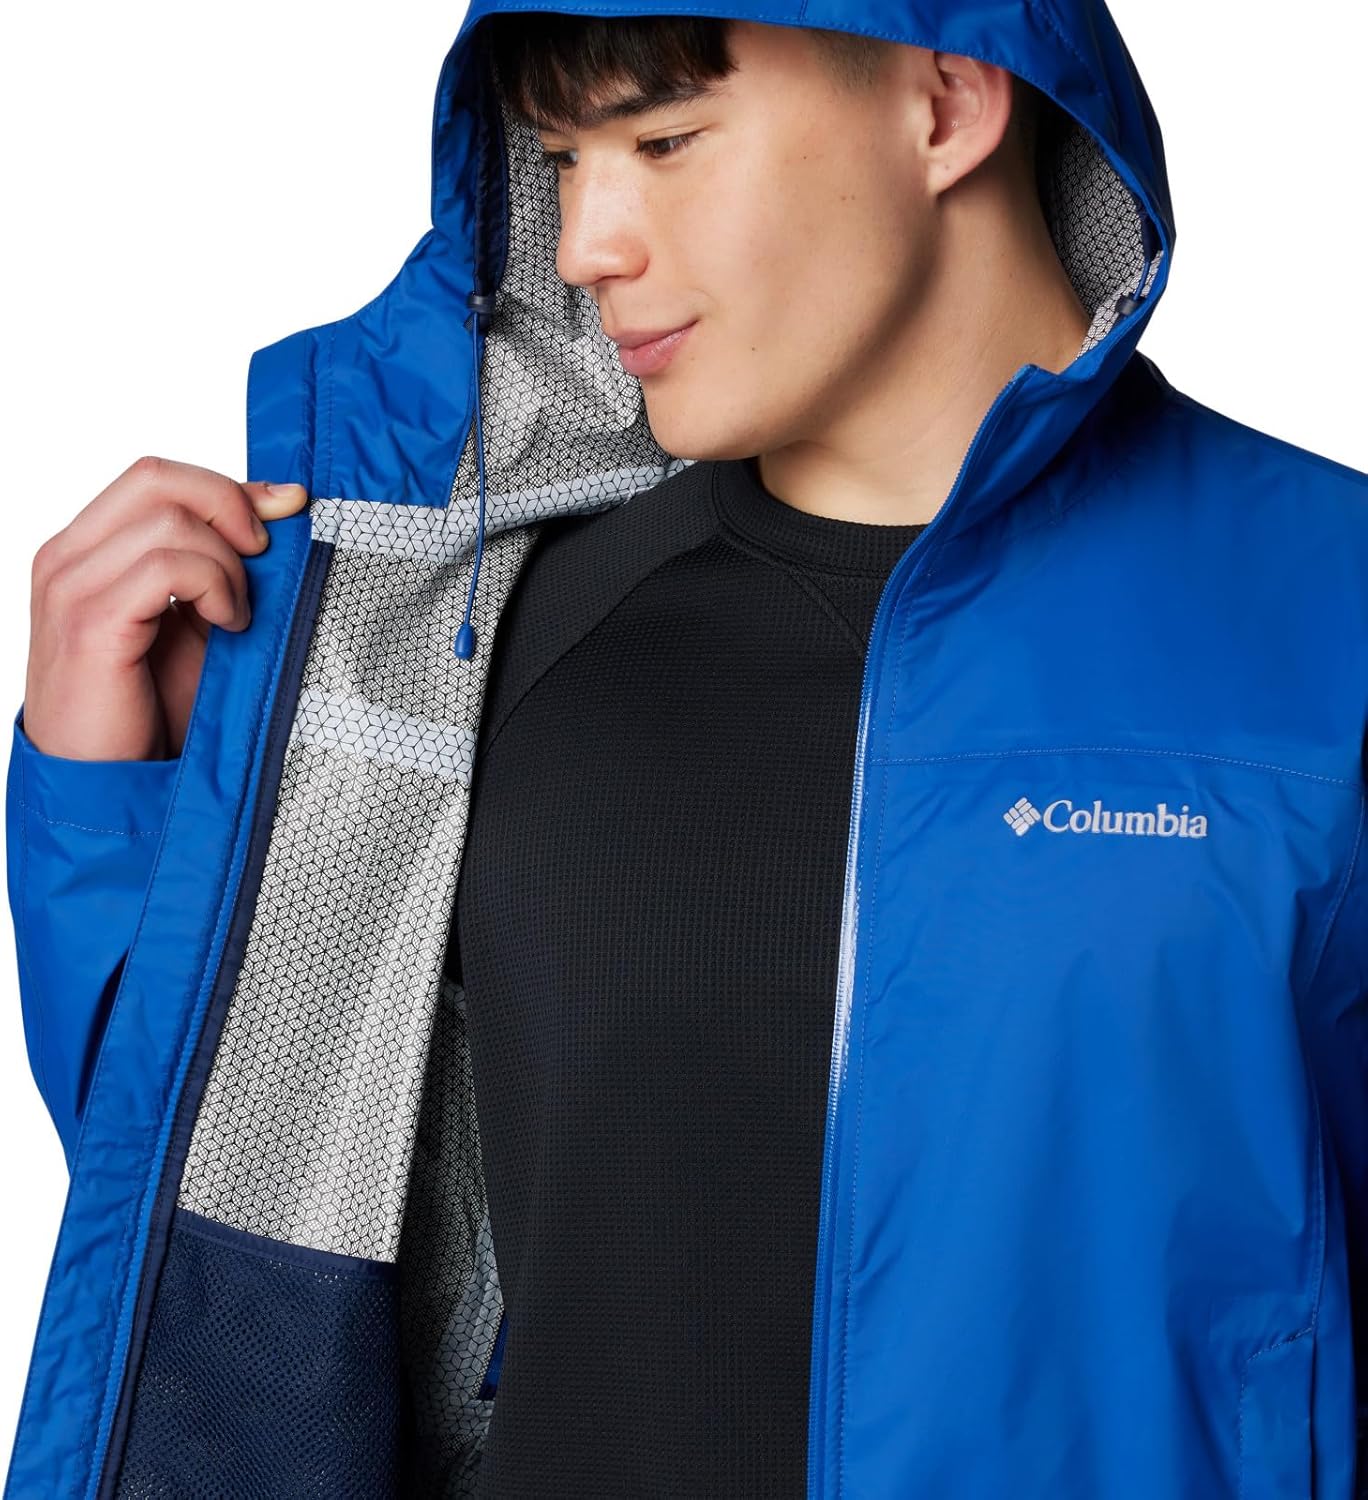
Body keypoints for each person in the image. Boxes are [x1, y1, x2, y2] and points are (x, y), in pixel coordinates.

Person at [4, 3, 1367, 1499]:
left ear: (948, 104)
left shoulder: (1331, 614)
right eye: (561, 160)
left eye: (662, 142)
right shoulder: (463, 635)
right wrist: (108, 795)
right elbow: (243, 1236)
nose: (588, 244)